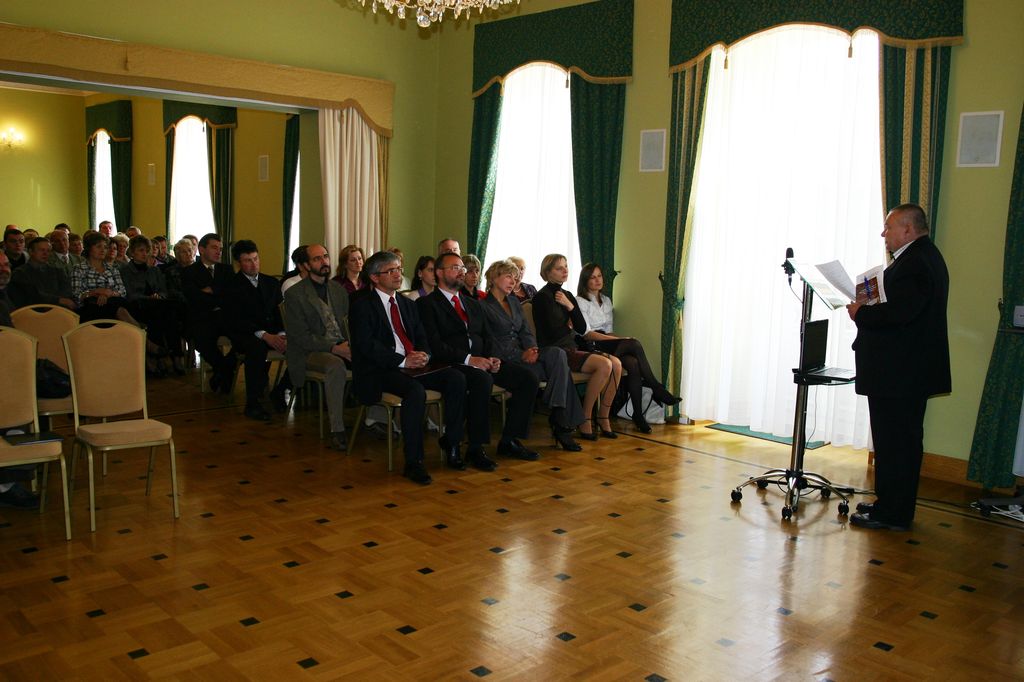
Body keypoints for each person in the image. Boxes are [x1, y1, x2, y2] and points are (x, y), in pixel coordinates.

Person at [846, 203, 950, 531]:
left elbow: (901, 314)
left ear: (907, 229)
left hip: (900, 374)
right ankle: (889, 503)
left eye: (888, 227)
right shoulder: (922, 256)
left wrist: (860, 312)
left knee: (896, 444)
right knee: (897, 442)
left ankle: (893, 514)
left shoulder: (915, 263)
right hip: (904, 372)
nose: (883, 233)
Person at [349, 251, 468, 485]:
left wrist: (424, 354)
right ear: (374, 277)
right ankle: (414, 461)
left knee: (456, 378)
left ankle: (452, 443)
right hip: (381, 369)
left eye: (399, 269)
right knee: (415, 391)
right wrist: (402, 361)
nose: (398, 275)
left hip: (413, 366)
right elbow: (367, 345)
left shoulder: (407, 304)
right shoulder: (362, 306)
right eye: (391, 271)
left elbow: (422, 336)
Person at [418, 251, 540, 465]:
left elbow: (487, 336)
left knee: (528, 378)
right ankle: (475, 447)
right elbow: (435, 345)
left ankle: (509, 440)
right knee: (481, 379)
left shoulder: (472, 303)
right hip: (451, 363)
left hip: (480, 361)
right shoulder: (427, 304)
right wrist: (470, 359)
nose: (461, 272)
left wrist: (492, 358)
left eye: (462, 268)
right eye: (454, 268)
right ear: (439, 272)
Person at [482, 258, 584, 451]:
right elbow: (489, 342)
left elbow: (526, 332)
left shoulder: (514, 301)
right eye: (508, 276)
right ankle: (560, 422)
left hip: (525, 352)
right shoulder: (483, 306)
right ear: (494, 278)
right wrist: (521, 355)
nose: (513, 281)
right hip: (504, 359)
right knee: (558, 371)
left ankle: (558, 415)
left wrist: (532, 349)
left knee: (557, 355)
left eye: (515, 277)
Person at [576, 263, 681, 433]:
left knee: (633, 363)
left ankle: (638, 414)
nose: (597, 280)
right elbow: (587, 334)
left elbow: (609, 331)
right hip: (591, 344)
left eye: (599, 276)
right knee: (633, 343)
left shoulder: (606, 301)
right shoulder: (580, 301)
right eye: (592, 277)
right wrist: (622, 341)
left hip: (606, 341)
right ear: (585, 281)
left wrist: (618, 340)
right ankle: (656, 388)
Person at [531, 254, 622, 441]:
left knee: (616, 364)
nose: (565, 270)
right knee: (604, 365)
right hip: (556, 351)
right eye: (559, 268)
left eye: (566, 266)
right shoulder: (542, 297)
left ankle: (603, 416)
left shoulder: (567, 295)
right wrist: (569, 324)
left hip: (571, 346)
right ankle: (585, 418)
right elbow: (551, 332)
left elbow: (580, 328)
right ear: (547, 272)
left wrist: (570, 307)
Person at [283, 244, 351, 448]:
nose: (324, 262)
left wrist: (349, 345)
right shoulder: (295, 294)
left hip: (341, 344)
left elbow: (348, 324)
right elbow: (300, 337)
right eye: (317, 259)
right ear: (305, 265)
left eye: (326, 257)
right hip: (309, 351)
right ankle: (337, 429)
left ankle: (375, 418)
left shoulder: (338, 290)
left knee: (376, 356)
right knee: (335, 365)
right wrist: (334, 348)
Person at [225, 240, 287, 422]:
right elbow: (236, 319)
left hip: (272, 332)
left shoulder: (271, 282)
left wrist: (281, 334)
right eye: (248, 260)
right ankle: (252, 403)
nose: (253, 264)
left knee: (298, 344)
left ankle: (281, 389)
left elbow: (279, 312)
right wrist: (264, 335)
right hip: (246, 333)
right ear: (239, 263)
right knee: (257, 348)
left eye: (256, 259)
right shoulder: (231, 286)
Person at [120, 235, 186, 374]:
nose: (145, 254)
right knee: (159, 313)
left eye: (146, 251)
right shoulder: (125, 271)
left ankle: (173, 355)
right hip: (137, 306)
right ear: (132, 252)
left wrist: (159, 295)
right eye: (141, 250)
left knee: (169, 312)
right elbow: (129, 294)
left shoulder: (154, 270)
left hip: (157, 305)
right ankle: (163, 356)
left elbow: (163, 290)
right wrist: (148, 297)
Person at [181, 233, 237, 393]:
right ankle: (225, 371)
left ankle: (223, 371)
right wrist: (220, 293)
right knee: (203, 340)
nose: (219, 251)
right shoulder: (189, 272)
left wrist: (211, 290)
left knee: (245, 337)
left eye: (220, 249)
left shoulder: (227, 270)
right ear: (201, 249)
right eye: (214, 247)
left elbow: (233, 295)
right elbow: (194, 297)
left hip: (225, 317)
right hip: (202, 318)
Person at [70, 231, 134, 323]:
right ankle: (139, 330)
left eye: (105, 247)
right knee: (117, 310)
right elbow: (77, 296)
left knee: (121, 306)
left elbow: (122, 291)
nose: (103, 250)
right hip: (90, 308)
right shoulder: (79, 268)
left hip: (113, 302)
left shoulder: (112, 269)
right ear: (89, 248)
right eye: (98, 246)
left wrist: (108, 294)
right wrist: (95, 292)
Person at [8, 237, 76, 310]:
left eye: (48, 250)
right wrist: (57, 300)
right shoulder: (20, 273)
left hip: (59, 310)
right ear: (31, 251)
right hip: (32, 312)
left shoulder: (58, 271)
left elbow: (67, 291)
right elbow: (31, 295)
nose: (45, 253)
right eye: (42, 250)